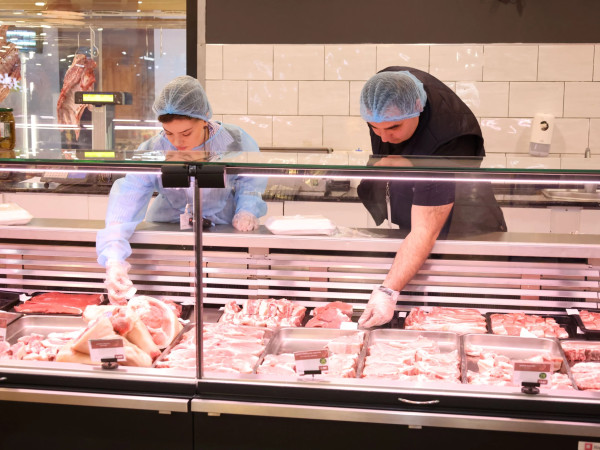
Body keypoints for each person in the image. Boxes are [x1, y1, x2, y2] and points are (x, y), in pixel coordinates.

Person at [96, 75, 268, 304]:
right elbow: (127, 199)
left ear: (204, 119)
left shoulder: (232, 140)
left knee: (221, 297)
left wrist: (247, 209)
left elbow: (251, 179)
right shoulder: (154, 148)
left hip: (224, 231)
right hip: (169, 230)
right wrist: (114, 258)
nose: (177, 142)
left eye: (186, 133)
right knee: (173, 298)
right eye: (169, 133)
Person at [357, 67, 506, 328]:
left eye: (393, 127)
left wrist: (387, 293)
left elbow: (425, 231)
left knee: (455, 305)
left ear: (417, 108)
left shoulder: (451, 138)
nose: (385, 137)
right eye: (374, 128)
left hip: (465, 226)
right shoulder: (384, 93)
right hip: (420, 208)